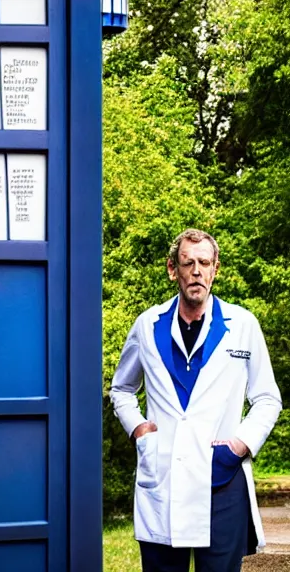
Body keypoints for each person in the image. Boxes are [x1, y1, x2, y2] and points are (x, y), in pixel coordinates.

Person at [110, 228, 282, 572]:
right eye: (188, 263)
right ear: (173, 269)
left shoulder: (243, 325)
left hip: (222, 478)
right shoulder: (147, 326)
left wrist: (240, 444)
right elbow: (122, 389)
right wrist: (139, 429)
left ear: (215, 269)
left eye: (205, 263)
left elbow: (267, 398)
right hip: (164, 476)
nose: (197, 271)